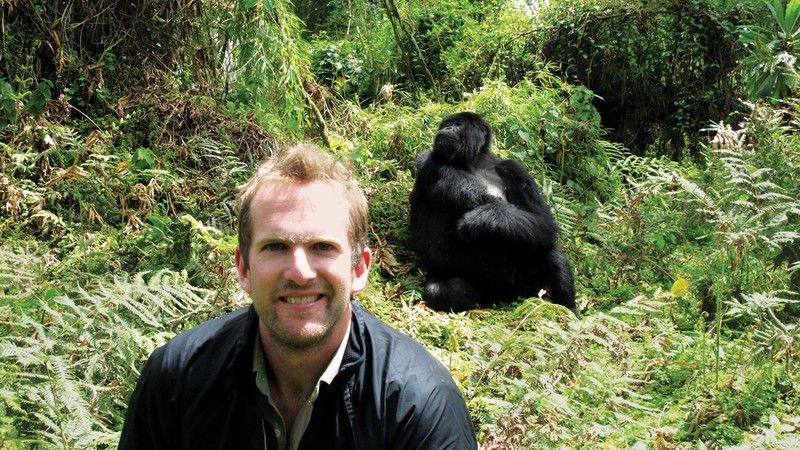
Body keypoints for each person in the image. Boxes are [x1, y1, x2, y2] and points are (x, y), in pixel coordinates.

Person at [119, 143, 477, 449]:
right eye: (276, 246)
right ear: (244, 268)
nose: (300, 272)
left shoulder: (419, 404)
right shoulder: (178, 379)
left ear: (359, 269)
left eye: (322, 246)